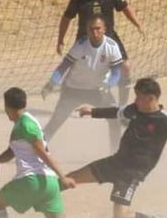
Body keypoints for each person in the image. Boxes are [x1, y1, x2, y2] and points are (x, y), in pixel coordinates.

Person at [69, 77, 167, 218]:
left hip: (130, 174)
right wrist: (93, 111)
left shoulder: (164, 121)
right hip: (115, 163)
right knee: (68, 178)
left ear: (151, 98)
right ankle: (48, 207)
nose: (136, 101)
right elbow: (117, 112)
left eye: (139, 97)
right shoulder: (135, 109)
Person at [0, 87, 113, 218]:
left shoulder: (25, 125)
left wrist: (63, 176)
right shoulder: (27, 122)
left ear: (7, 107)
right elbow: (14, 150)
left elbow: (42, 153)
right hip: (49, 184)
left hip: (32, 181)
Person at [57, 0, 145, 106]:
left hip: (109, 37)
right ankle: (64, 103)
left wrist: (138, 25)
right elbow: (66, 18)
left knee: (125, 68)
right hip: (85, 40)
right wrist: (60, 39)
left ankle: (122, 106)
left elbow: (126, 8)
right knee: (71, 71)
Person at [42, 15, 125, 152]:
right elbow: (63, 67)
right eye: (91, 29)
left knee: (114, 119)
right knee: (56, 120)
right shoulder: (80, 46)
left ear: (104, 29)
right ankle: (36, 150)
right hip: (74, 89)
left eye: (98, 29)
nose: (94, 32)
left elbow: (116, 73)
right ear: (86, 30)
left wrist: (108, 85)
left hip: (98, 90)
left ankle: (115, 152)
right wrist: (52, 83)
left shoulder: (112, 46)